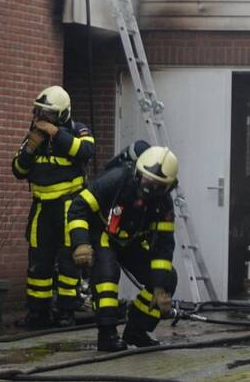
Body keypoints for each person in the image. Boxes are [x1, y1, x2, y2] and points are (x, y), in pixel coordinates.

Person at [67, 145, 179, 352]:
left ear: (168, 187)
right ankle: (107, 335)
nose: (148, 189)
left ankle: (137, 330)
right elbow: (78, 207)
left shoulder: (163, 205)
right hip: (102, 234)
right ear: (137, 173)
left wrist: (160, 287)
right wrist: (81, 243)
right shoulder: (116, 179)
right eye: (146, 181)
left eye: (156, 185)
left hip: (130, 242)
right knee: (107, 276)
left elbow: (163, 247)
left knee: (168, 277)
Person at [12, 85, 95, 328]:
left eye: (47, 115)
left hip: (69, 207)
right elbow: (18, 170)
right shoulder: (34, 136)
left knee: (69, 263)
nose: (41, 119)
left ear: (61, 115)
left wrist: (56, 134)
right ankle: (38, 313)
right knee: (39, 261)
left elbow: (86, 152)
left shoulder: (78, 130)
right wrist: (30, 148)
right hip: (41, 209)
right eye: (39, 113)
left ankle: (66, 313)